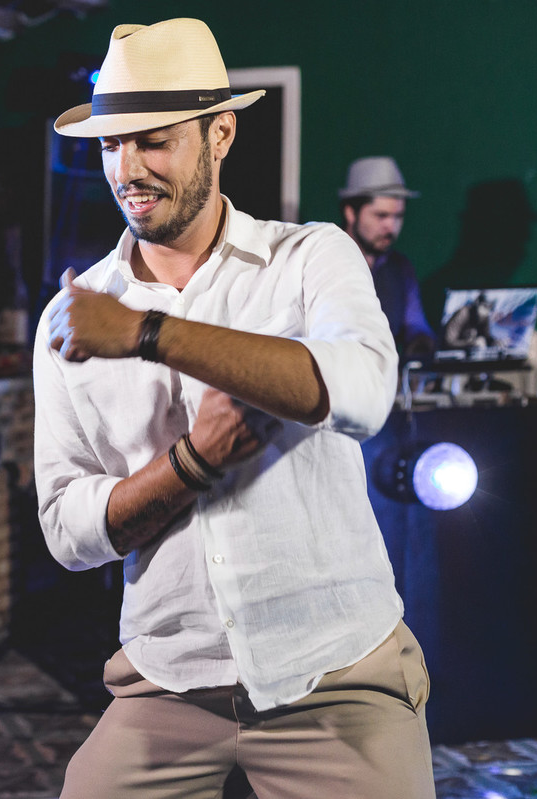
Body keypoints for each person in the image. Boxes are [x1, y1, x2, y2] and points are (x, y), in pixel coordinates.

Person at [34, 18, 435, 799]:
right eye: (111, 145)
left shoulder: (310, 256)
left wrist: (148, 333)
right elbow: (68, 532)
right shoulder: (74, 314)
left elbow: (361, 392)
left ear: (220, 133)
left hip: (335, 670)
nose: (127, 169)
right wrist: (193, 462)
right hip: (167, 679)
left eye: (153, 141)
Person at [339, 155, 436, 359]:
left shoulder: (400, 268)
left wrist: (422, 346)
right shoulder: (324, 262)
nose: (391, 227)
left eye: (398, 216)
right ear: (350, 213)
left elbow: (416, 326)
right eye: (381, 216)